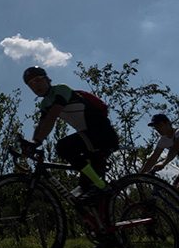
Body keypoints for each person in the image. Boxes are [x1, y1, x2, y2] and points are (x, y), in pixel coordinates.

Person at [21, 66, 119, 203]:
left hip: (102, 134)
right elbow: (41, 125)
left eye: (37, 80)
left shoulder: (61, 90)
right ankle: (101, 215)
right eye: (30, 84)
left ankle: (102, 186)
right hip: (89, 139)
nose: (35, 86)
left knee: (63, 147)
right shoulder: (44, 104)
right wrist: (31, 144)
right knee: (84, 194)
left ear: (47, 79)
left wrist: (36, 142)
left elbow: (52, 116)